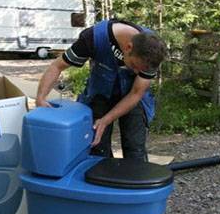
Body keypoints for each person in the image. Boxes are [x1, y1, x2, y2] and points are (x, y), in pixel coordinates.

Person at [36, 19, 167, 161]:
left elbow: (136, 94)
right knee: (97, 145)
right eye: (134, 66)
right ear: (128, 47)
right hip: (100, 92)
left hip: (133, 97)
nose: (136, 72)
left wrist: (106, 120)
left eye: (140, 70)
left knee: (135, 147)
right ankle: (101, 179)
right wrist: (41, 97)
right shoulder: (92, 38)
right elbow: (57, 66)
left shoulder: (152, 53)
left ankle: (137, 179)